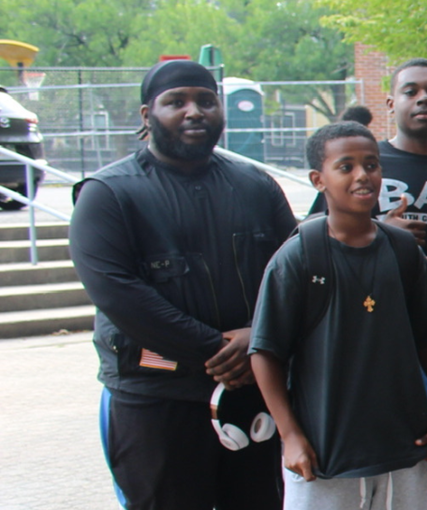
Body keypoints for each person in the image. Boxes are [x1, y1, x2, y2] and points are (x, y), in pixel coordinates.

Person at [72, 59, 297, 510]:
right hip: (157, 400)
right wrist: (216, 349)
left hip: (250, 394)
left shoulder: (255, 186)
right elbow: (118, 294)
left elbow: (295, 274)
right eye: (176, 102)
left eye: (206, 101)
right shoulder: (109, 194)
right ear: (146, 115)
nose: (194, 111)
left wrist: (258, 337)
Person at [250, 122, 427, 509]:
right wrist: (290, 434)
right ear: (319, 179)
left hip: (403, 447)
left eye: (371, 164)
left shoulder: (403, 251)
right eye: (346, 167)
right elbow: (265, 352)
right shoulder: (298, 257)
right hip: (326, 454)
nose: (363, 175)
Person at [309, 58, 427, 510]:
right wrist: (382, 233)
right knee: (382, 484)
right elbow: (315, 246)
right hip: (377, 350)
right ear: (391, 102)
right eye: (411, 91)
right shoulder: (359, 164)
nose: (424, 98)